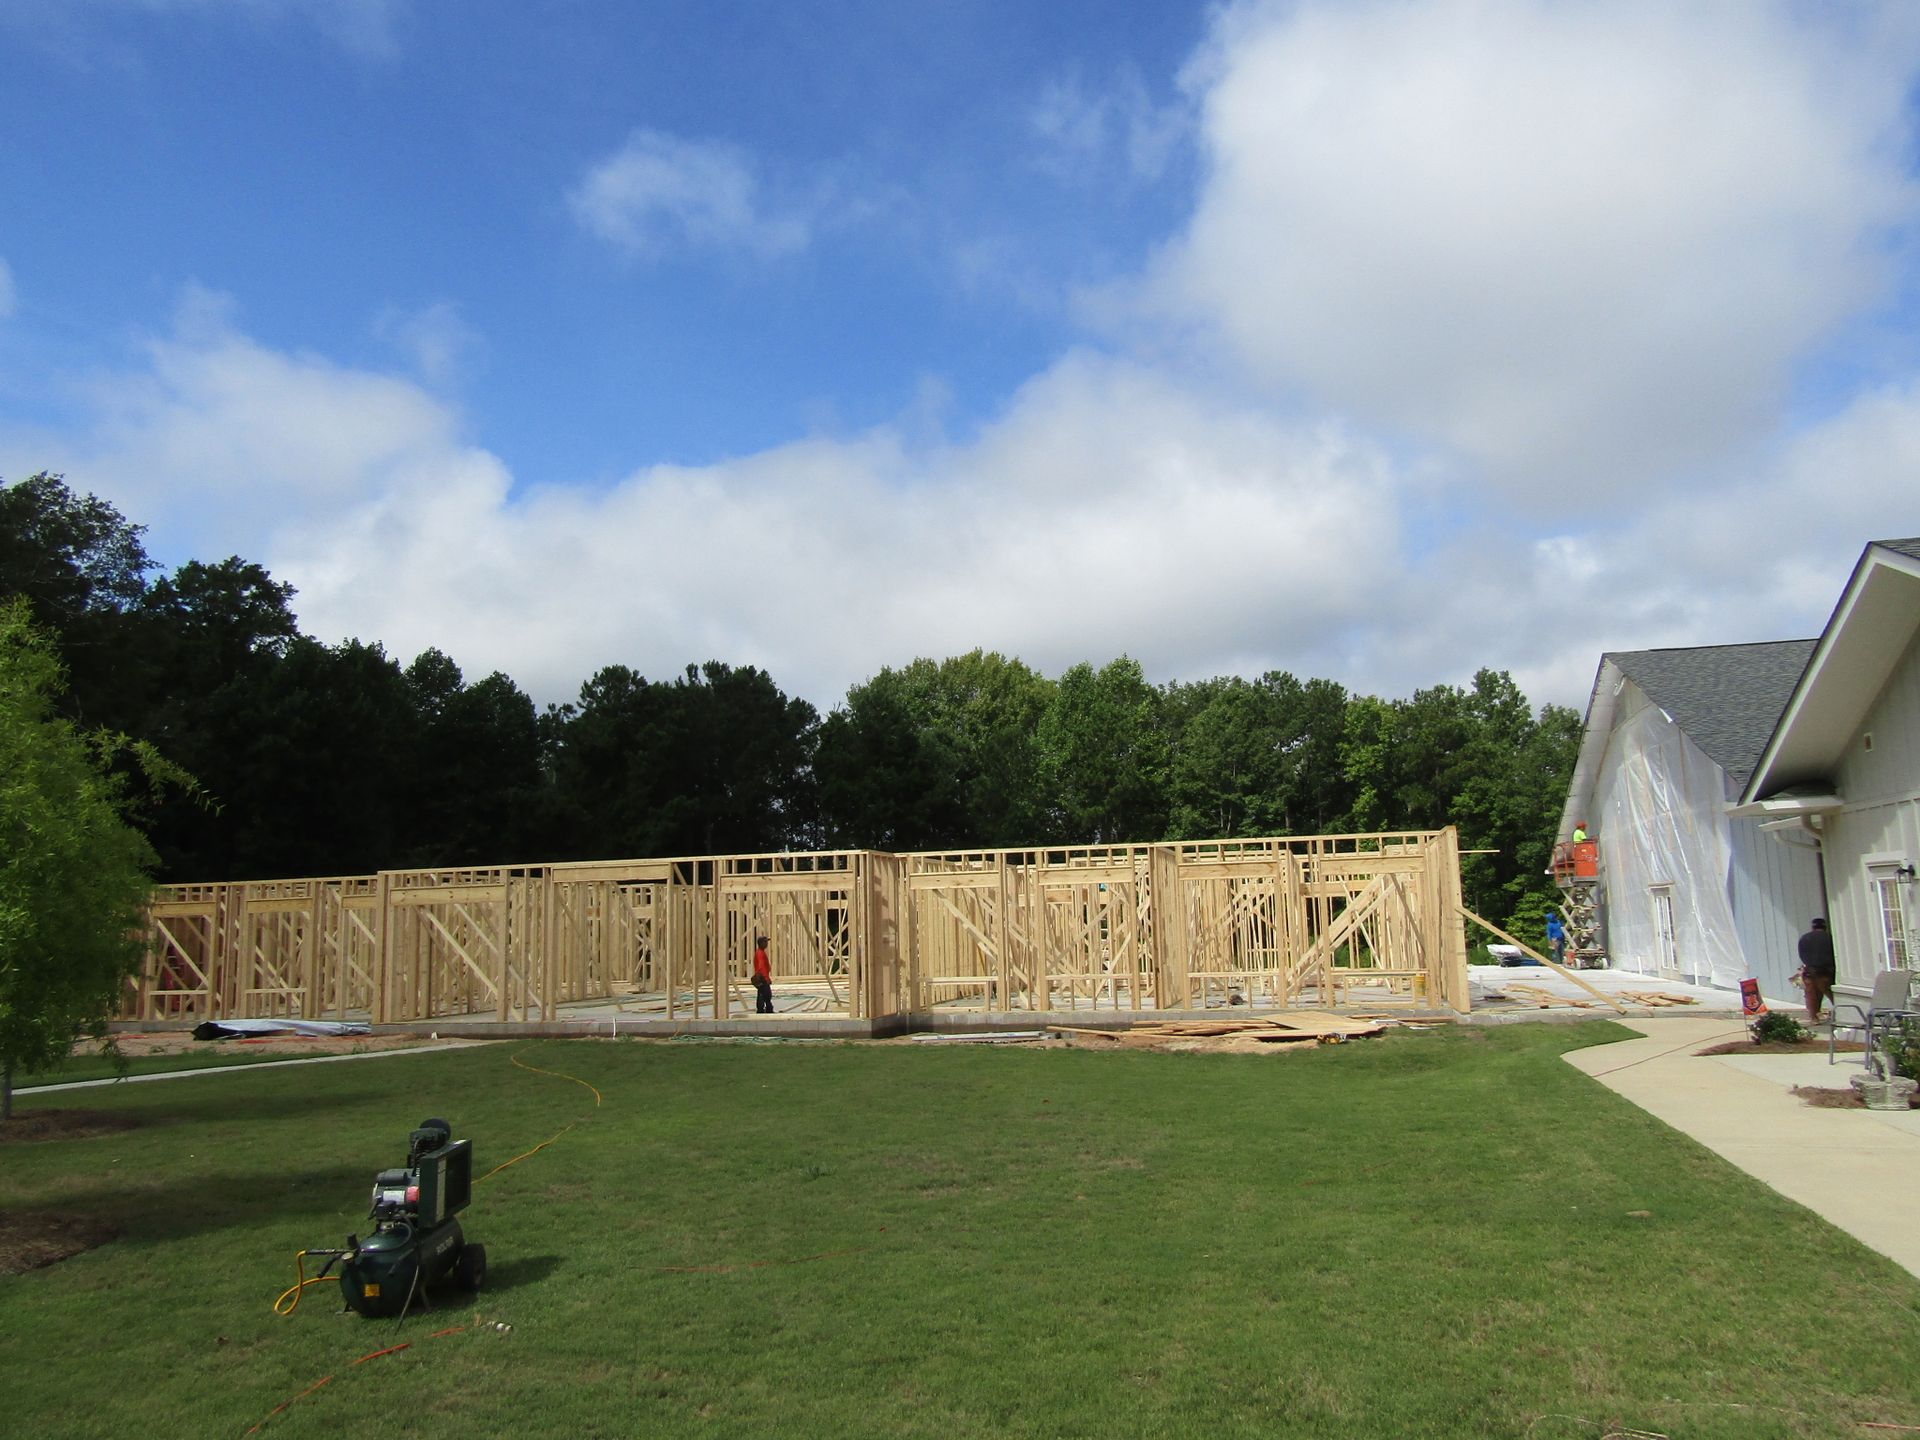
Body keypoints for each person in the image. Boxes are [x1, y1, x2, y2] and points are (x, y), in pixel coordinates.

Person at [1797, 917, 1836, 1024]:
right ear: (1824, 927)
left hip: (1810, 970)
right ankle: (1840, 1012)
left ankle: (1814, 1018)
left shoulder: (1805, 938)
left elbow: (1802, 954)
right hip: (1826, 971)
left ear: (1813, 927)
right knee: (1831, 994)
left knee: (1812, 995)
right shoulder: (1830, 938)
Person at [751, 934, 774, 1014]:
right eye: (765, 942)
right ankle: (765, 1010)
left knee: (762, 994)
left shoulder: (760, 952)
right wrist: (766, 978)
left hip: (761, 977)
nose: (767, 944)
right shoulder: (760, 953)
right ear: (761, 943)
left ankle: (763, 1009)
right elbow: (761, 967)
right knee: (765, 994)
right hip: (762, 977)